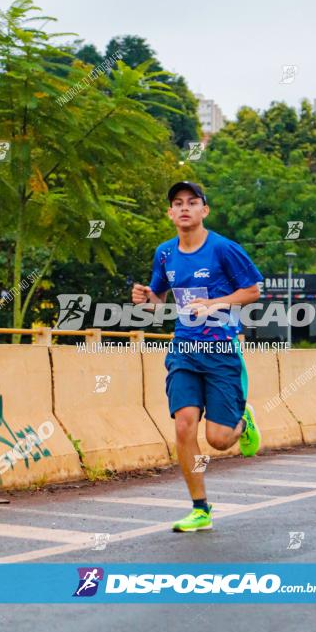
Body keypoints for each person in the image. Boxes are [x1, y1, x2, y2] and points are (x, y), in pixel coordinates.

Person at [132, 181, 263, 532]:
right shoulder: (165, 253)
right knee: (183, 424)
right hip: (184, 349)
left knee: (218, 440)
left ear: (205, 210)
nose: (185, 208)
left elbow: (252, 291)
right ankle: (200, 508)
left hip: (220, 349)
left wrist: (215, 304)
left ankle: (241, 420)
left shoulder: (223, 249)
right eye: (177, 203)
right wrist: (146, 297)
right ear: (170, 213)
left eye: (192, 202)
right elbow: (160, 302)